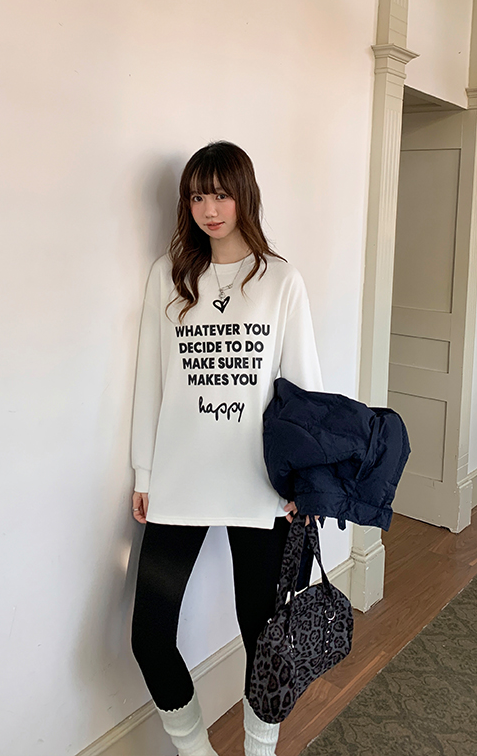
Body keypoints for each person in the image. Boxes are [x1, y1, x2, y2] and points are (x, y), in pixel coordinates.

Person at [130, 141, 323, 756]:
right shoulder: (168, 276)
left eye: (220, 194)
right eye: (197, 196)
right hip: (180, 478)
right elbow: (151, 380)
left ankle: (259, 751)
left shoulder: (280, 280)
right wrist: (144, 471)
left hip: (260, 486)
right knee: (149, 635)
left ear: (244, 196)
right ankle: (196, 752)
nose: (209, 210)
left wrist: (307, 485)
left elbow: (303, 392)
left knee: (263, 638)